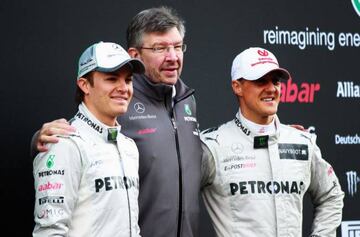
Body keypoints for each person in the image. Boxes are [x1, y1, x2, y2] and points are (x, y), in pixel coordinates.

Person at [31, 7, 202, 237]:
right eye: (160, 48)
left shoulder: (184, 100)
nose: (172, 56)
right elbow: (50, 228)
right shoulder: (77, 135)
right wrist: (42, 143)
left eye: (177, 46)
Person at [200, 47, 344, 237]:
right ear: (237, 86)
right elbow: (172, 199)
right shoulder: (213, 146)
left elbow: (331, 195)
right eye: (260, 81)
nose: (271, 88)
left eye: (275, 81)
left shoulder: (302, 142)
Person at [32, 41, 145, 237]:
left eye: (128, 80)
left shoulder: (129, 147)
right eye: (111, 79)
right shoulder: (64, 144)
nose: (123, 88)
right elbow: (49, 232)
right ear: (85, 85)